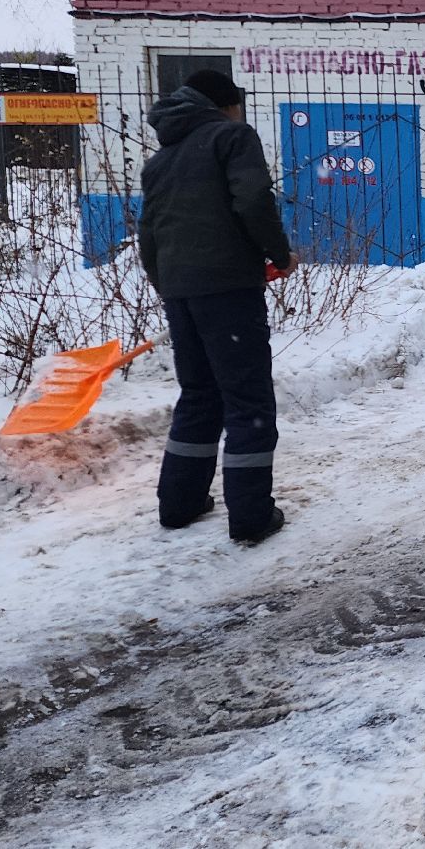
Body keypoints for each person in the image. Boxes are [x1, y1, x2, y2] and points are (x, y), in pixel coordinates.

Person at [140, 69, 294, 545]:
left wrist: (169, 284)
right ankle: (250, 516)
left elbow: (150, 233)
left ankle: (180, 502)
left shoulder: (161, 160)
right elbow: (251, 199)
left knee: (199, 394)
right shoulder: (232, 138)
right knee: (248, 401)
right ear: (226, 105)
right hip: (228, 290)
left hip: (180, 291)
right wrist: (277, 252)